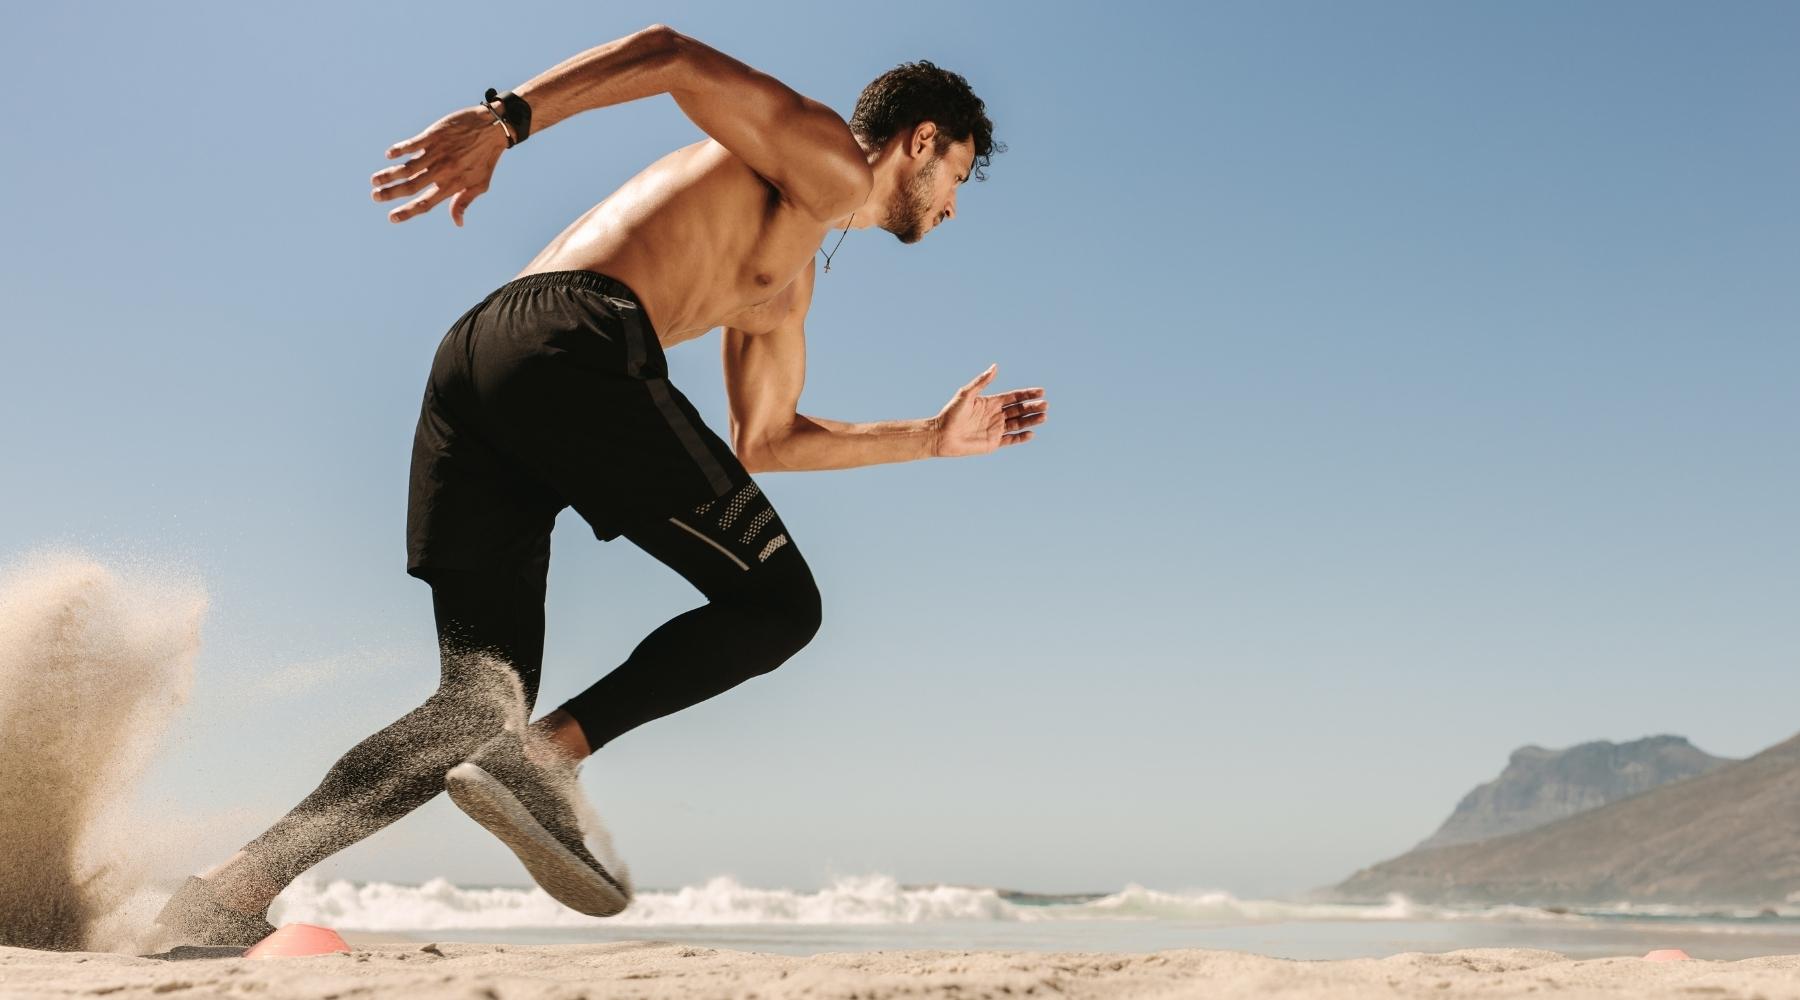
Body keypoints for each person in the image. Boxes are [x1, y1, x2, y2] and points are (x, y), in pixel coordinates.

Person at [155, 24, 1047, 946]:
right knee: (781, 606)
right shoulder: (828, 159)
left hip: (481, 361)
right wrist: (507, 120)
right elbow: (673, 55)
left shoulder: (786, 277)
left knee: (475, 702)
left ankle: (223, 892)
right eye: (959, 177)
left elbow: (769, 439)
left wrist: (930, 438)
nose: (952, 206)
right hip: (570, 331)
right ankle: (545, 759)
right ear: (925, 141)